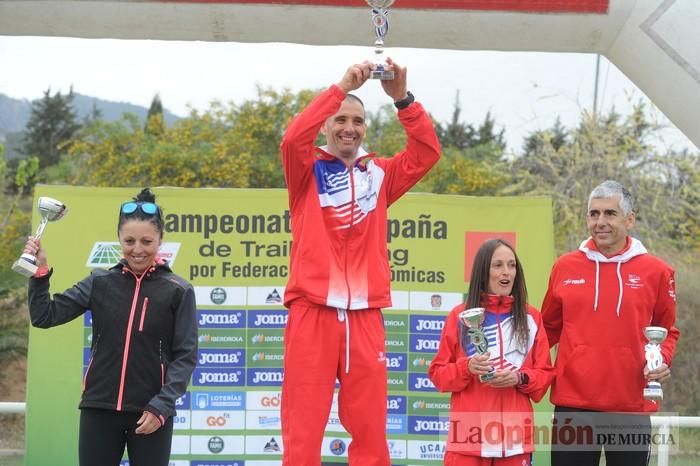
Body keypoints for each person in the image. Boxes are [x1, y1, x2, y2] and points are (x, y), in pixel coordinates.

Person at [279, 58, 441, 466]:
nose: (349, 127)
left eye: (357, 120)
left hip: (365, 316)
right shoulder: (306, 170)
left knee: (369, 429)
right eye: (340, 119)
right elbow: (292, 139)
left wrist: (402, 99)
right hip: (312, 311)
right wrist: (340, 87)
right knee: (303, 428)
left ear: (366, 128)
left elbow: (426, 153)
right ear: (327, 125)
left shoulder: (380, 175)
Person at [24, 188, 198, 466]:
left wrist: (161, 406)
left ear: (160, 240)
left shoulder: (178, 290)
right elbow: (45, 315)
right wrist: (40, 272)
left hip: (150, 415)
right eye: (129, 240)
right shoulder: (100, 282)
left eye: (146, 241)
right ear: (118, 238)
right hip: (99, 410)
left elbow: (185, 356)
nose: (137, 249)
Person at [541, 180, 680, 466]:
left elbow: (667, 331)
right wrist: (520, 368)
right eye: (594, 214)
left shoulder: (658, 271)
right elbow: (546, 330)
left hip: (631, 406)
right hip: (573, 407)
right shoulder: (564, 266)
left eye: (609, 213)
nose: (600, 222)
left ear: (630, 219)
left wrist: (660, 360)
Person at [429, 239, 554, 466]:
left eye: (511, 265)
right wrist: (466, 367)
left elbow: (544, 374)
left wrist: (520, 377)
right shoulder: (460, 317)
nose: (506, 272)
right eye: (498, 265)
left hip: (515, 442)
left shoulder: (531, 318)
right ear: (483, 271)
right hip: (468, 440)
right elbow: (438, 375)